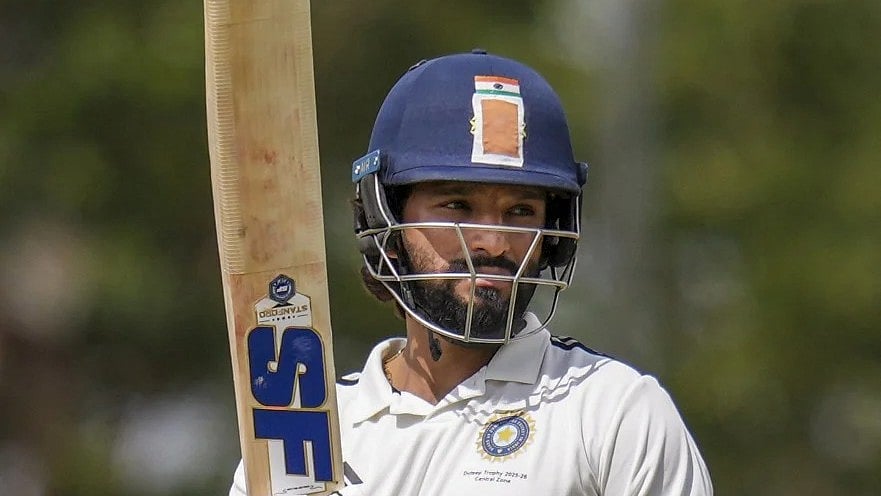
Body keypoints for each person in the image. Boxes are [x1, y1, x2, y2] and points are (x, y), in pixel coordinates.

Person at [230, 49, 712, 495]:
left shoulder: (614, 412)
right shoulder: (305, 431)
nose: (494, 243)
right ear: (386, 222)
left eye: (522, 211)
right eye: (457, 206)